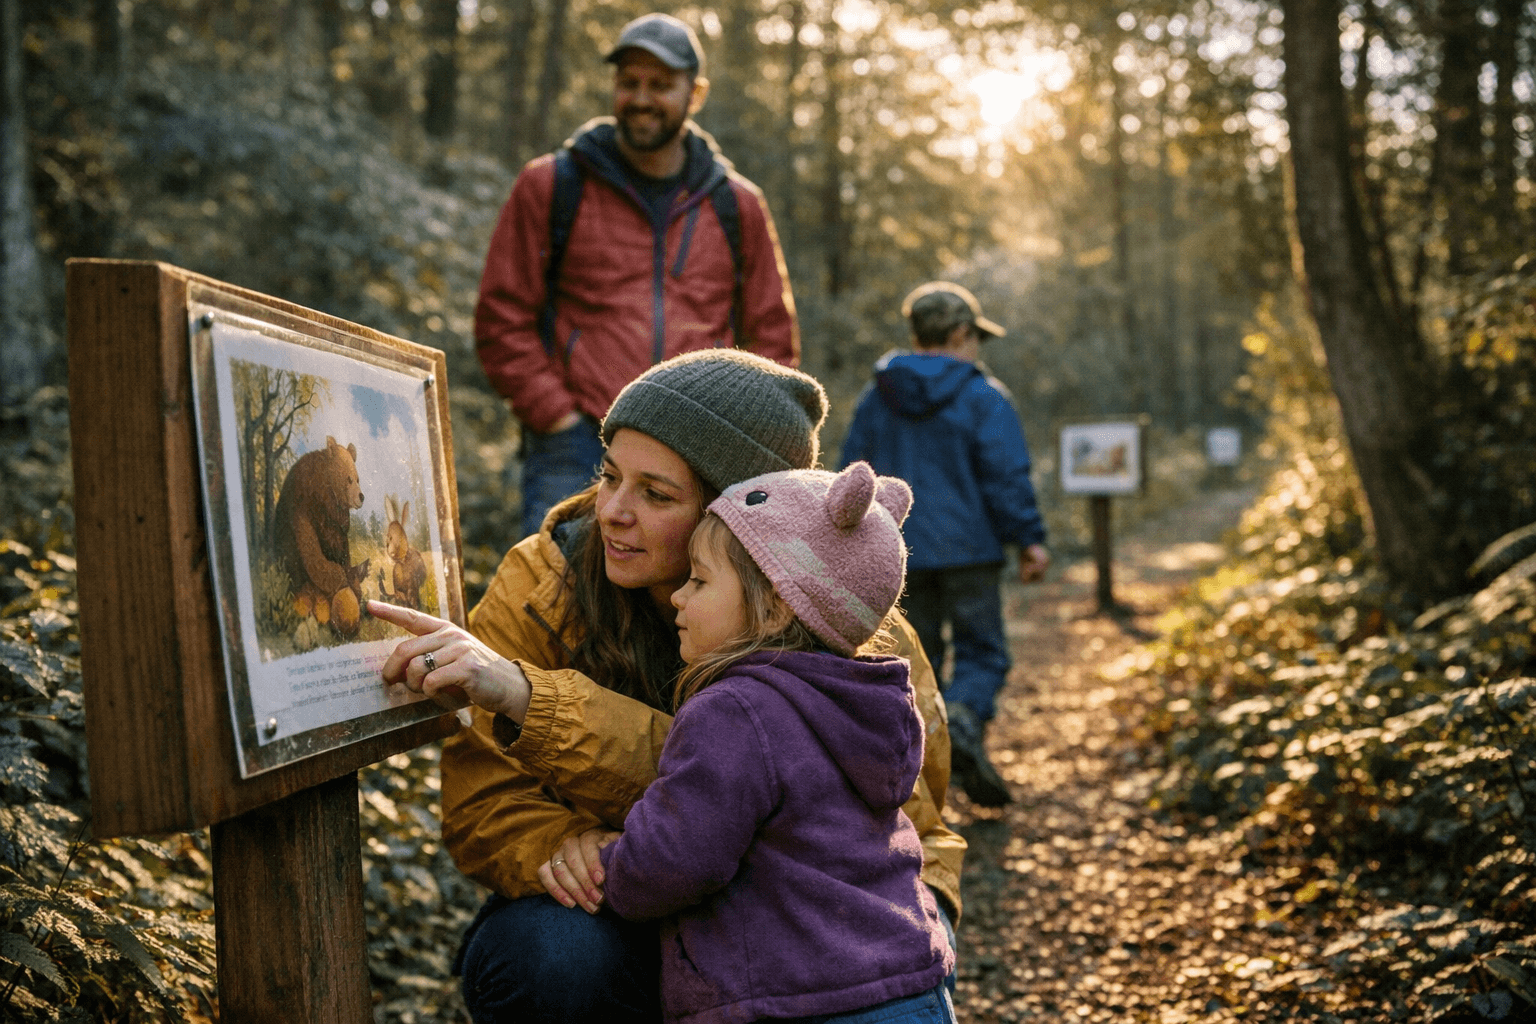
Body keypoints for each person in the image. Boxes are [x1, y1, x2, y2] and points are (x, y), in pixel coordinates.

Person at [372, 350, 964, 1024]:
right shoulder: (541, 581)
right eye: (609, 476)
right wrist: (562, 847)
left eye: (656, 495)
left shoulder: (843, 612)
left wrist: (929, 919)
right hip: (613, 899)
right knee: (549, 956)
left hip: (791, 924)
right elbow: (484, 797)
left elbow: (912, 825)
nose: (613, 512)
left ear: (739, 516)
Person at [558, 462, 955, 1024]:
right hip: (912, 984)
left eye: (698, 580)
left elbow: (675, 861)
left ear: (774, 606)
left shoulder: (734, 711)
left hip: (793, 1001)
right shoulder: (877, 703)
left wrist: (606, 865)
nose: (678, 597)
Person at [475, 12, 799, 539]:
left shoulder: (739, 206)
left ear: (694, 94)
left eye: (660, 84)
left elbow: (772, 343)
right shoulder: (551, 185)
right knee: (557, 607)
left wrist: (735, 440)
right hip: (578, 449)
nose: (642, 98)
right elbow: (501, 317)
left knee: (692, 615)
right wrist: (555, 416)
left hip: (699, 455)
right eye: (629, 82)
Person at [840, 282, 1049, 808]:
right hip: (971, 551)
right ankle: (963, 722)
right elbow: (1006, 475)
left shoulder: (876, 399)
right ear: (959, 334)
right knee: (983, 653)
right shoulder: (982, 396)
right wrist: (1028, 538)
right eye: (975, 336)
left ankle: (919, 783)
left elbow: (850, 477)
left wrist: (845, 544)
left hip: (894, 555)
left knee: (915, 662)